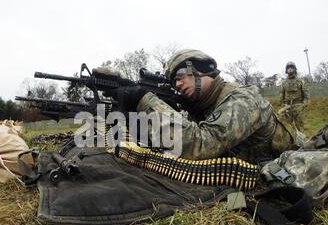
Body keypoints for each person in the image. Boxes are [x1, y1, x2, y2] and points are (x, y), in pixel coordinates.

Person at [107, 49, 307, 163]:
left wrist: (145, 100)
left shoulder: (242, 99)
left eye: (179, 77)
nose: (176, 85)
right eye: (172, 82)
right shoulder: (203, 104)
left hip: (299, 156)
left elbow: (200, 146)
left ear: (201, 71)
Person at [279, 62, 310, 132]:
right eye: (288, 68)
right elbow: (281, 95)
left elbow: (306, 94)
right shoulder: (284, 82)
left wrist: (303, 105)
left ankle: (302, 142)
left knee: (300, 128)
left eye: (291, 68)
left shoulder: (300, 81)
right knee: (286, 128)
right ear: (286, 70)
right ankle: (289, 142)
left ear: (295, 69)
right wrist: (283, 105)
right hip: (287, 107)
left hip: (298, 107)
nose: (290, 69)